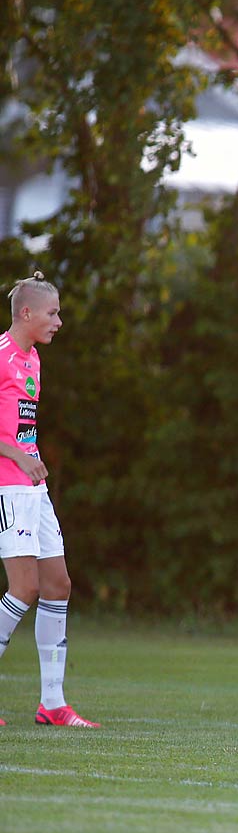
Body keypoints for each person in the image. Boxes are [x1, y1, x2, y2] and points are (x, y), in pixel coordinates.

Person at [0, 273, 93, 728]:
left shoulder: (34, 360)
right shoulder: (0, 355)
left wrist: (31, 456)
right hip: (8, 485)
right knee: (24, 588)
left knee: (57, 585)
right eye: (53, 313)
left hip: (34, 486)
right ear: (26, 313)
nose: (59, 321)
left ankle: (52, 703)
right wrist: (18, 456)